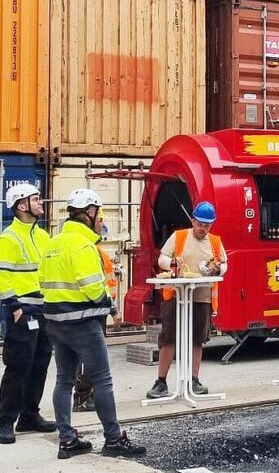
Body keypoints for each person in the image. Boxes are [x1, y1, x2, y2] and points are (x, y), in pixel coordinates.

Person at [40, 189, 145, 459]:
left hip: (55, 320)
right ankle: (113, 439)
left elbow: (42, 282)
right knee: (102, 380)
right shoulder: (84, 246)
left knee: (64, 380)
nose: (101, 219)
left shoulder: (54, 243)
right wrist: (106, 303)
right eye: (99, 213)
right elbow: (91, 288)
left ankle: (67, 440)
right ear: (89, 213)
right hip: (83, 322)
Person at [146, 202, 227, 399]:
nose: (203, 228)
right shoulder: (179, 236)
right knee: (169, 337)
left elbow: (224, 264)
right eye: (200, 224)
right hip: (176, 294)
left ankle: (194, 379)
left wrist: (218, 268)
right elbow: (162, 258)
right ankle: (161, 381)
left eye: (207, 225)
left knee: (197, 339)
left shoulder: (215, 242)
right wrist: (171, 263)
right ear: (192, 221)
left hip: (202, 296)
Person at [0, 184, 55, 444]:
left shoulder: (43, 236)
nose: (41, 202)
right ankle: (5, 420)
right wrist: (14, 307)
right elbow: (2, 276)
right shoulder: (8, 238)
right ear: (22, 206)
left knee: (40, 363)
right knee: (18, 366)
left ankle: (30, 415)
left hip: (43, 309)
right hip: (22, 311)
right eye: (35, 199)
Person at [73, 211, 119, 412]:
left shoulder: (98, 251)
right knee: (88, 359)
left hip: (99, 309)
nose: (102, 225)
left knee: (92, 359)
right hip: (89, 311)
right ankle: (82, 397)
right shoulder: (87, 250)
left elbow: (105, 284)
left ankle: (86, 395)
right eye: (100, 220)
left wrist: (112, 309)